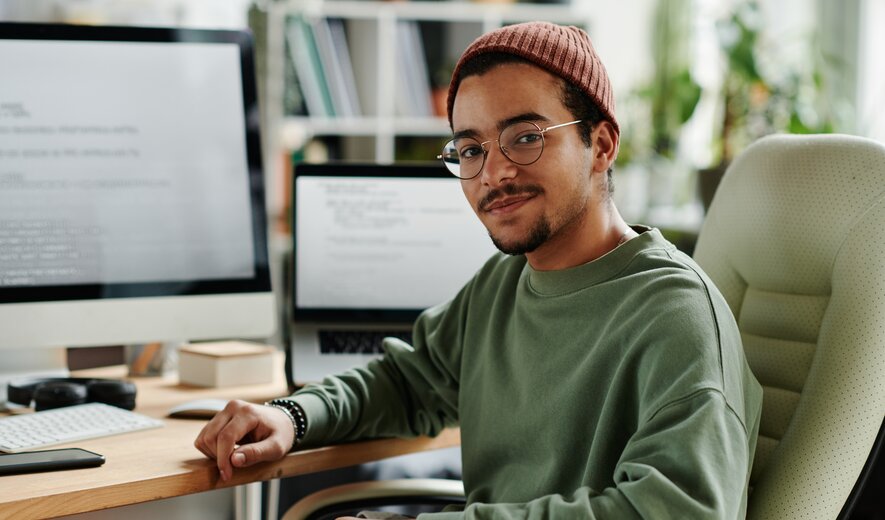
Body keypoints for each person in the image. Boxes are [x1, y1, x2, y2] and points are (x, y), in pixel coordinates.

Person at [195, 21, 763, 519]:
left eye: (525, 138)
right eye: (470, 150)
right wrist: (294, 415)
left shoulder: (676, 315)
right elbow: (407, 381)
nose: (493, 173)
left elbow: (679, 512)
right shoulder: (505, 282)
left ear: (602, 145)